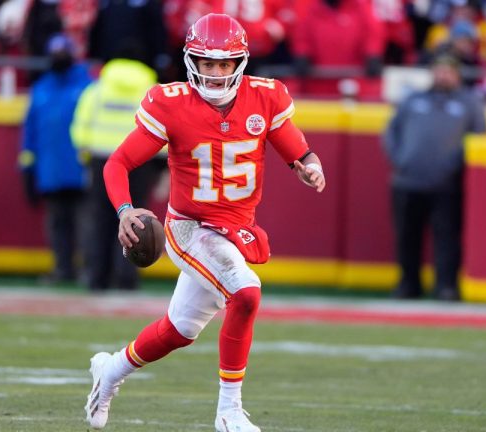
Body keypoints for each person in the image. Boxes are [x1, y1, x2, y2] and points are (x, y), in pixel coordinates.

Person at [83, 13, 325, 432]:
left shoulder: (266, 97)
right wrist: (125, 210)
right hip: (190, 225)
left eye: (223, 64)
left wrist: (309, 165)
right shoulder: (171, 103)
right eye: (206, 63)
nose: (214, 72)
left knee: (179, 330)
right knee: (246, 291)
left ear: (239, 63)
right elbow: (118, 163)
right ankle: (228, 411)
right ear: (192, 61)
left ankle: (110, 370)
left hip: (235, 226)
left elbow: (297, 149)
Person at [382, 54, 486, 301]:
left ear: (457, 75)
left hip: (447, 184)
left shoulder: (469, 103)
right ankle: (408, 285)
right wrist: (400, 160)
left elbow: (479, 138)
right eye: (439, 71)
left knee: (447, 237)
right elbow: (391, 132)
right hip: (407, 181)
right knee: (407, 236)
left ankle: (446, 286)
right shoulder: (413, 100)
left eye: (448, 71)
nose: (443, 76)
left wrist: (455, 165)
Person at [70, 45, 159, 292]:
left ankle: (97, 276)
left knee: (100, 219)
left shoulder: (97, 90)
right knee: (139, 221)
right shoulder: (150, 90)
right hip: (141, 162)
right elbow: (162, 129)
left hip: (101, 158)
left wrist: (85, 156)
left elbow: (80, 127)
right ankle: (127, 277)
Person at [19, 33, 92, 283]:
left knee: (85, 224)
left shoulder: (86, 85)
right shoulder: (41, 88)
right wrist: (28, 167)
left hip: (80, 168)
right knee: (57, 224)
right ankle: (63, 270)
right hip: (50, 169)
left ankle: (88, 271)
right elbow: (30, 130)